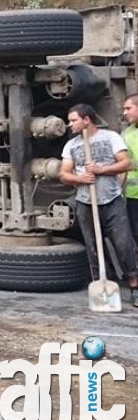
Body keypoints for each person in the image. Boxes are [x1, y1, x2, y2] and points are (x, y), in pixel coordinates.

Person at [59, 103, 138, 307]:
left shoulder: (110, 137)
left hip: (111, 199)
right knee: (93, 245)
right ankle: (101, 285)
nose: (70, 125)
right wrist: (80, 179)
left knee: (123, 244)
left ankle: (135, 286)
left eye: (74, 120)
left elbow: (125, 163)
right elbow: (64, 174)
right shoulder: (72, 145)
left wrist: (100, 169)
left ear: (87, 120)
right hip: (85, 201)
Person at [121, 94, 138, 251]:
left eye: (128, 108)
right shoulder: (126, 133)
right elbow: (121, 165)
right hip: (133, 197)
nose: (125, 113)